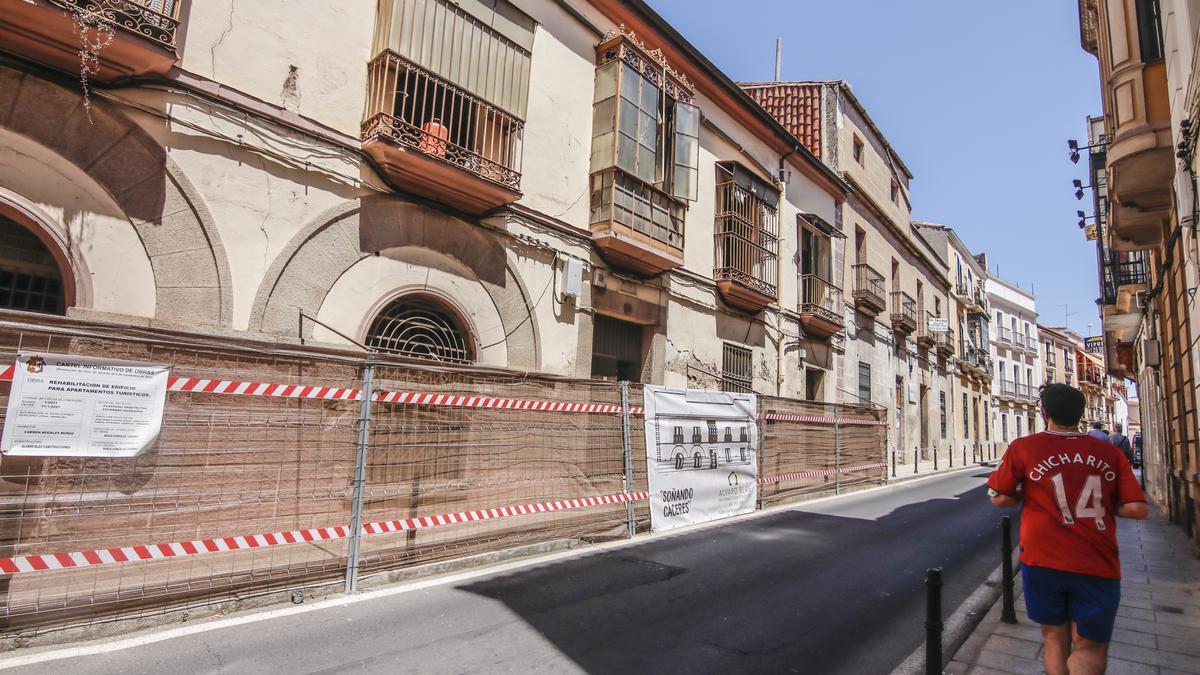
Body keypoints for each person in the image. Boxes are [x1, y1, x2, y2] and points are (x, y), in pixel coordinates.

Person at [987, 383, 1148, 675]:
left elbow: (999, 498)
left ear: (1044, 412)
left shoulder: (1024, 447)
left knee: (1053, 639)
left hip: (1042, 559)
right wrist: (1098, 503)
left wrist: (1027, 494)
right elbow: (1137, 508)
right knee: (1090, 645)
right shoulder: (1108, 453)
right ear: (1081, 414)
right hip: (1097, 562)